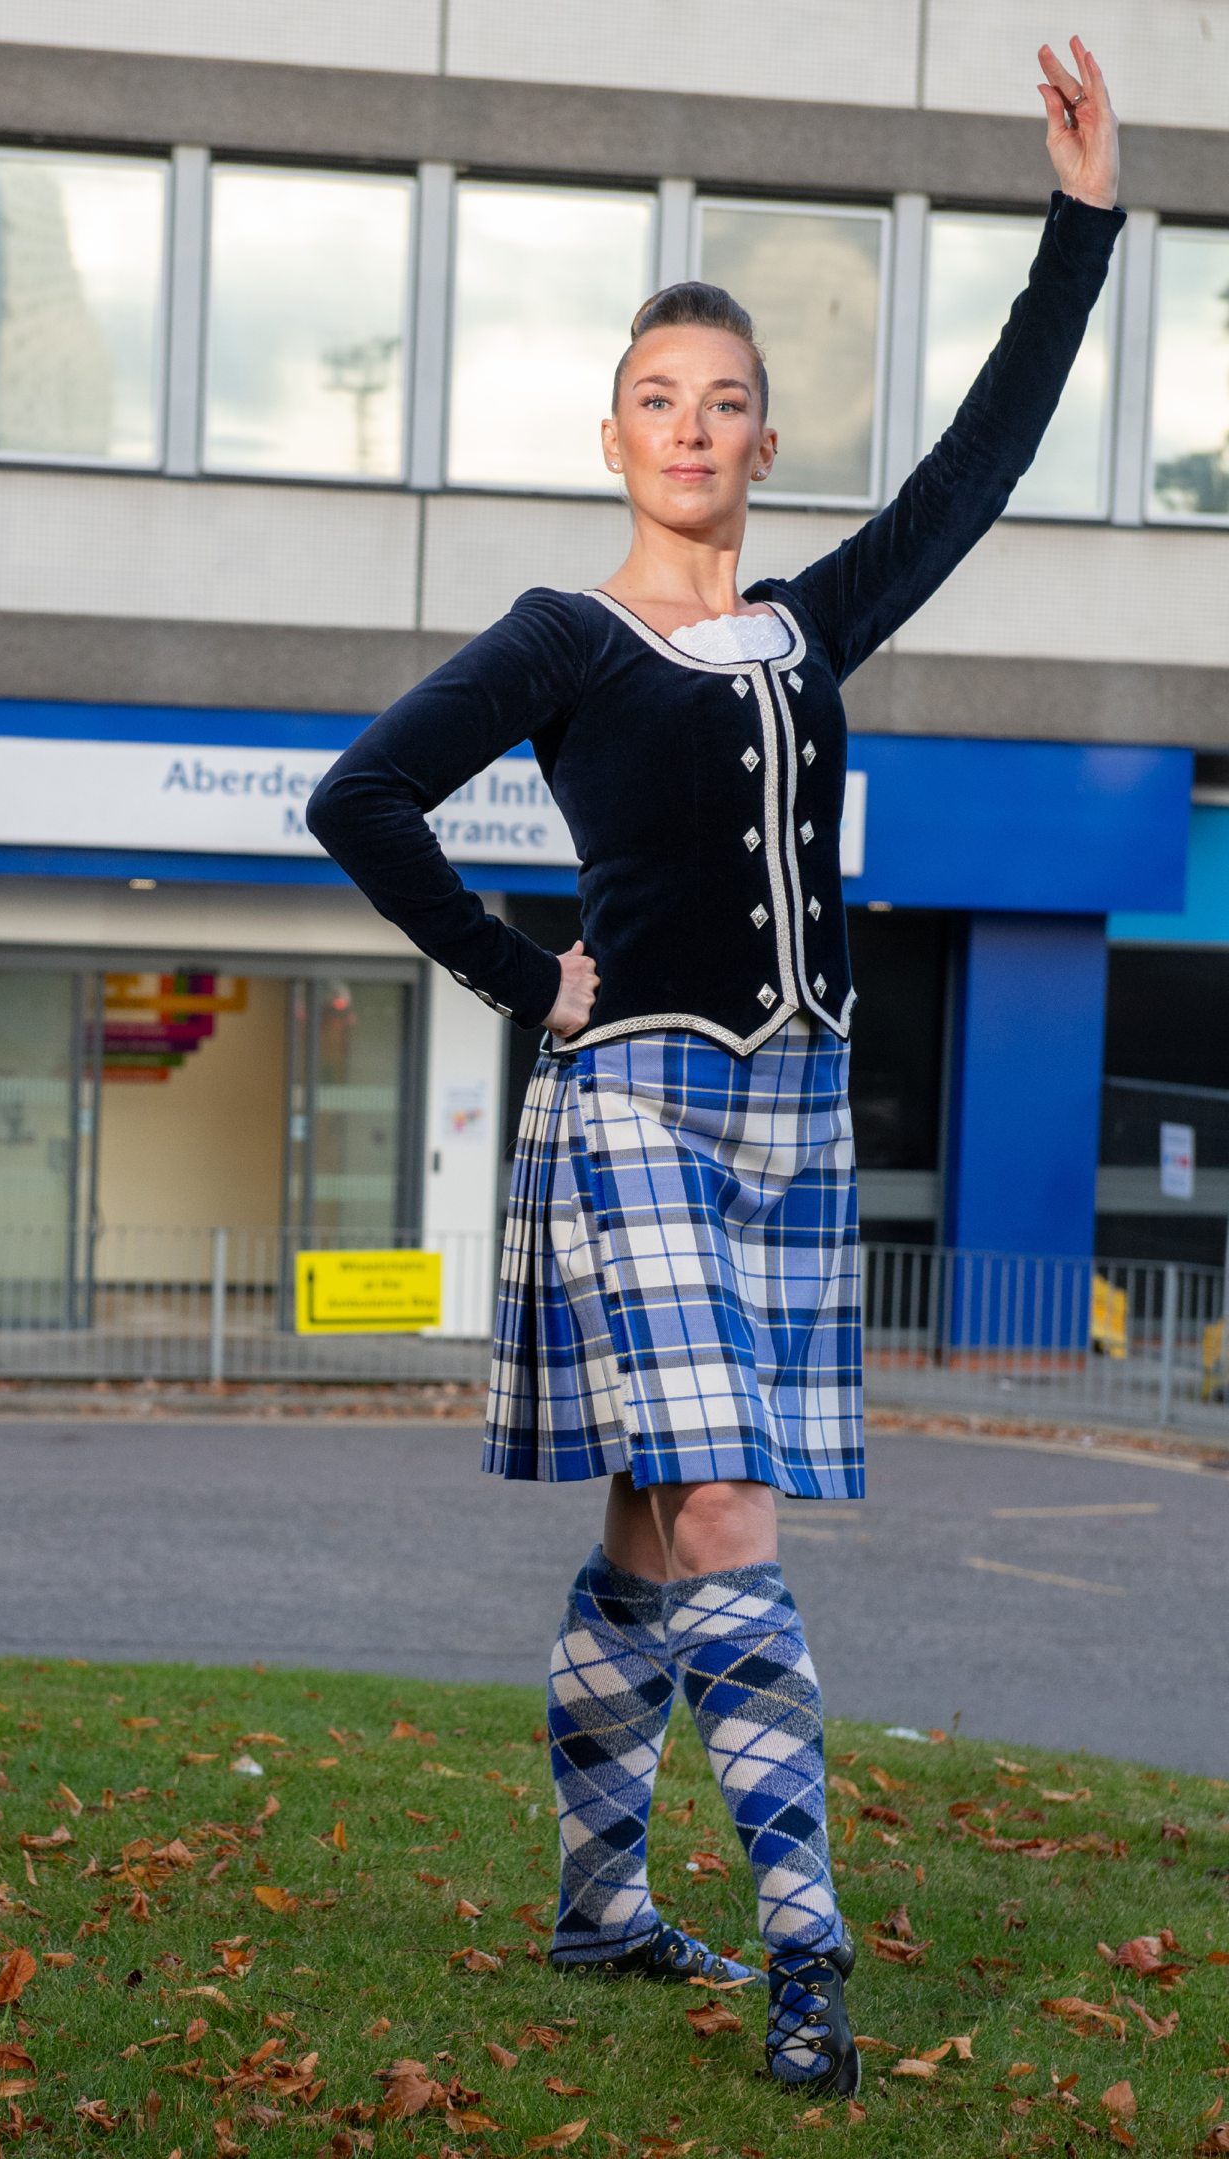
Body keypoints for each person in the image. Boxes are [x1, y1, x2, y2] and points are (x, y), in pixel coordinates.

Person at [306, 37, 1122, 2105]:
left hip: (795, 1115)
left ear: (763, 442)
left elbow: (981, 470)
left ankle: (596, 1907)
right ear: (614, 437)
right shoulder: (561, 640)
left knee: (661, 1535)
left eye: (726, 403)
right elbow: (360, 799)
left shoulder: (812, 627)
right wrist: (523, 977)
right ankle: (813, 1957)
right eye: (658, 401)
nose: (693, 429)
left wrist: (1085, 226)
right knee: (738, 1505)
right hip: (636, 1109)